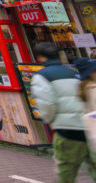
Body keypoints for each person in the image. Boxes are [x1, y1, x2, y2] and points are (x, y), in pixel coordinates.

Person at [31, 43, 96, 181]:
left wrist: (50, 120)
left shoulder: (42, 76)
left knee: (66, 172)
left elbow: (47, 104)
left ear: (40, 58)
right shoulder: (73, 72)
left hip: (66, 129)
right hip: (88, 127)